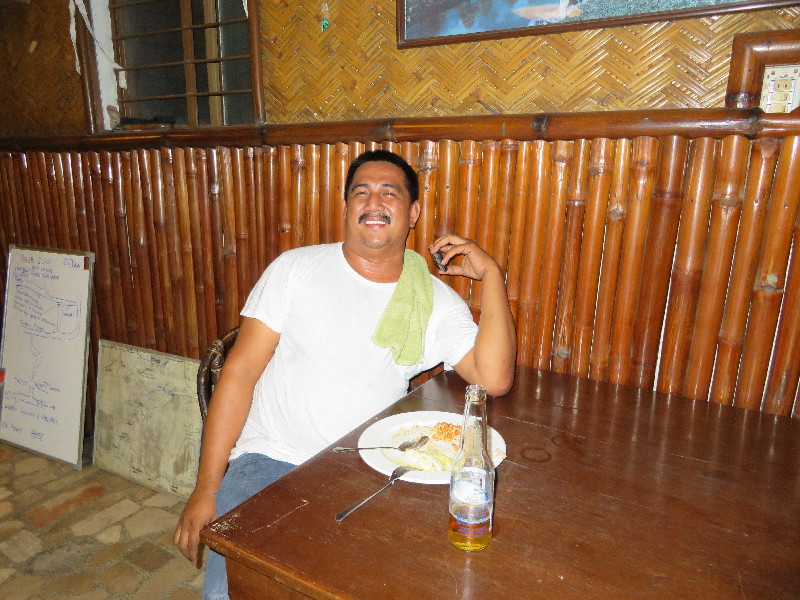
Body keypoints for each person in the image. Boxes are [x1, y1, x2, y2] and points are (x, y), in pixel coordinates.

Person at [173, 149, 516, 599]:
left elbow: (493, 379)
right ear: (347, 206)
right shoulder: (295, 269)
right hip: (270, 461)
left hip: (366, 474)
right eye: (361, 192)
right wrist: (206, 489)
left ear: (412, 212)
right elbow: (238, 374)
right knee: (232, 593)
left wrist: (491, 274)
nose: (374, 202)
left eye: (389, 193)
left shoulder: (429, 299)